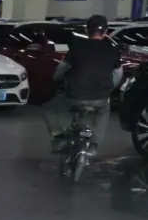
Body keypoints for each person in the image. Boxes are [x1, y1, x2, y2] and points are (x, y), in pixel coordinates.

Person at [51, 14, 123, 153]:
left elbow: (63, 67)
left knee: (50, 108)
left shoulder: (78, 46)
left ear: (86, 30)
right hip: (101, 98)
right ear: (106, 31)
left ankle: (60, 136)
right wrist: (109, 87)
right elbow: (118, 73)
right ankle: (95, 143)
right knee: (103, 113)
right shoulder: (113, 49)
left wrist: (56, 78)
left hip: (75, 95)